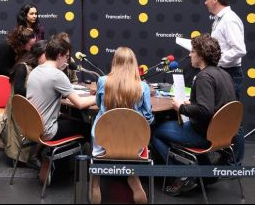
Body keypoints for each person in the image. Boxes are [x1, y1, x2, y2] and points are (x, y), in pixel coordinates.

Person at [151, 34, 236, 196]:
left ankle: (182, 173)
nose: (189, 54)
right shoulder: (224, 74)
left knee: (156, 133)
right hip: (221, 135)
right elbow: (215, 105)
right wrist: (193, 105)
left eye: (192, 52)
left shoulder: (203, 77)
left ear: (201, 55)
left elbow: (205, 111)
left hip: (203, 134)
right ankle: (207, 173)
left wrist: (181, 107)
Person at [26, 36, 95, 182]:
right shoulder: (57, 75)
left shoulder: (36, 70)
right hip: (48, 130)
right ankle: (92, 173)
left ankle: (59, 161)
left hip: (32, 126)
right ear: (59, 55)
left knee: (73, 120)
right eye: (66, 57)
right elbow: (80, 104)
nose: (67, 61)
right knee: (87, 128)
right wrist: (102, 97)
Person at [90, 47, 154, 204]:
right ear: (134, 64)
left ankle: (95, 183)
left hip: (103, 140)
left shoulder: (103, 81)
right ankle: (133, 177)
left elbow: (99, 105)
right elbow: (148, 117)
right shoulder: (143, 86)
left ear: (114, 62)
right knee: (133, 145)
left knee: (96, 129)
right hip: (134, 143)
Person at [204, 0, 246, 165]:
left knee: (231, 119)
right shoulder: (219, 19)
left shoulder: (229, 20)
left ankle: (234, 164)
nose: (205, 2)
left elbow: (239, 49)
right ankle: (227, 157)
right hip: (223, 73)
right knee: (221, 118)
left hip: (230, 74)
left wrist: (216, 61)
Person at [4, 40, 47, 168]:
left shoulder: (38, 68)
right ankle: (21, 158)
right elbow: (19, 90)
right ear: (38, 54)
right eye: (47, 55)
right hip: (19, 107)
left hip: (31, 105)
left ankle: (33, 156)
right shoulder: (22, 67)